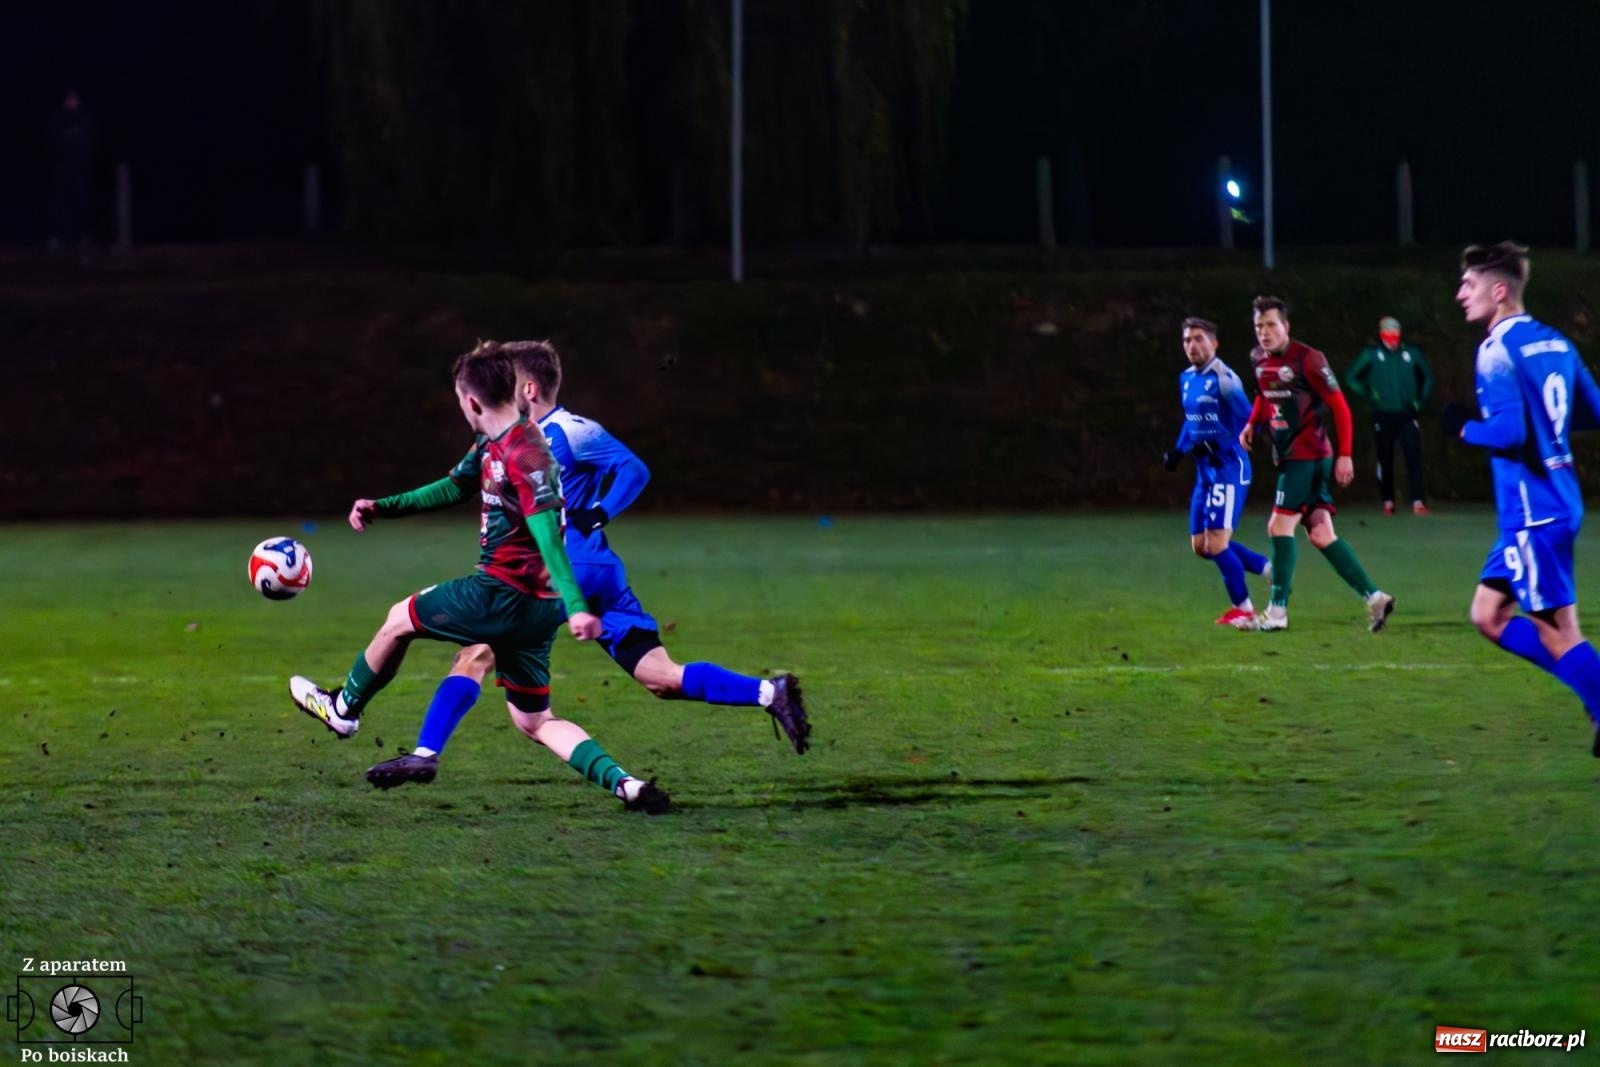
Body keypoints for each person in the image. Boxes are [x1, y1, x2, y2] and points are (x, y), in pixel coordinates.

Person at [364, 339, 812, 790]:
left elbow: (634, 470)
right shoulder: (575, 429)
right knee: (661, 677)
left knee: (475, 654)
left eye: (511, 383)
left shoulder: (549, 436)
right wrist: (601, 515)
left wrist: (596, 513)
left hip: (562, 571)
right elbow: (631, 468)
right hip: (602, 569)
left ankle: (425, 754)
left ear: (531, 388)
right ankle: (768, 692)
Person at [289, 344, 671, 813]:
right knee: (534, 721)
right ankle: (627, 785)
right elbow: (453, 486)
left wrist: (576, 604)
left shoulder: (531, 454)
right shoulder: (494, 441)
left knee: (397, 619)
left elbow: (550, 534)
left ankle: (344, 710)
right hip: (536, 611)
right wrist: (383, 507)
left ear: (470, 402)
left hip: (499, 593)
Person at [1444, 241, 1600, 756]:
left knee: (1559, 635)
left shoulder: (1494, 350)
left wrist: (1462, 427)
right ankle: (1591, 688)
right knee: (1487, 615)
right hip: (1550, 503)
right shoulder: (1556, 342)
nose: (1461, 293)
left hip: (1535, 512)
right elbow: (1591, 413)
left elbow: (1508, 434)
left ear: (1500, 289)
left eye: (1470, 284)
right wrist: (1547, 426)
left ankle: (1597, 695)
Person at [1238, 296, 1395, 632]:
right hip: (1294, 457)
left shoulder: (1308, 359)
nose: (1264, 333)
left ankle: (1277, 612)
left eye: (1270, 325)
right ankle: (1375, 597)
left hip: (1307, 456)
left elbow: (1340, 407)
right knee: (1322, 535)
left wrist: (1346, 454)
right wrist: (1252, 423)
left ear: (1286, 326)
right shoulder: (1260, 361)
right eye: (1258, 326)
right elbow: (1264, 396)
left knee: (1278, 527)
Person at [1162, 317, 1271, 629]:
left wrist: (1218, 444)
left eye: (1199, 339)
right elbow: (1192, 420)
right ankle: (1268, 570)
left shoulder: (1225, 379)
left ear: (1214, 343)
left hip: (1227, 467)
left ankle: (1244, 608)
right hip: (1204, 470)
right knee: (1201, 546)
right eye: (1187, 340)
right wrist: (1179, 450)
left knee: (1217, 544)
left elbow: (1252, 419)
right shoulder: (1186, 378)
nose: (1192, 345)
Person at [1345, 315, 1435, 515]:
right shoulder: (1372, 354)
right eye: (1388, 333)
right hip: (1383, 414)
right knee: (1385, 458)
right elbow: (1351, 376)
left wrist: (1419, 400)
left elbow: (1427, 377)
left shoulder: (1411, 353)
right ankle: (1388, 501)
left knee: (1413, 455)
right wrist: (1369, 393)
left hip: (1407, 413)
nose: (1392, 337)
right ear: (1382, 334)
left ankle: (1418, 501)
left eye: (1395, 333)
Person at [47, 88, 97, 249]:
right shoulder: (58, 119)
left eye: (74, 99)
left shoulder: (85, 119)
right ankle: (57, 237)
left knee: (82, 203)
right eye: (69, 99)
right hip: (61, 170)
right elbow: (51, 142)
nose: (71, 102)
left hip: (80, 169)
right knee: (59, 204)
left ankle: (82, 236)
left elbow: (92, 141)